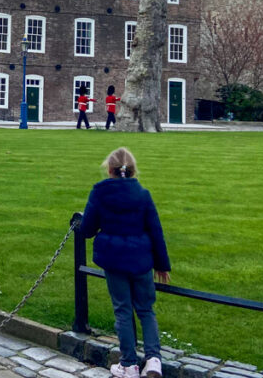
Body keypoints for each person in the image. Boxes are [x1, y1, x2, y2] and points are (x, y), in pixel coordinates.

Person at [80, 148, 170, 378]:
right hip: (141, 260)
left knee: (123, 310)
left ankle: (129, 364)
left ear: (109, 170)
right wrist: (162, 265)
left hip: (114, 260)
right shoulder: (143, 194)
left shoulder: (100, 193)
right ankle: (153, 359)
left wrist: (82, 224)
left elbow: (88, 229)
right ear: (132, 170)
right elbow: (155, 230)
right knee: (146, 310)